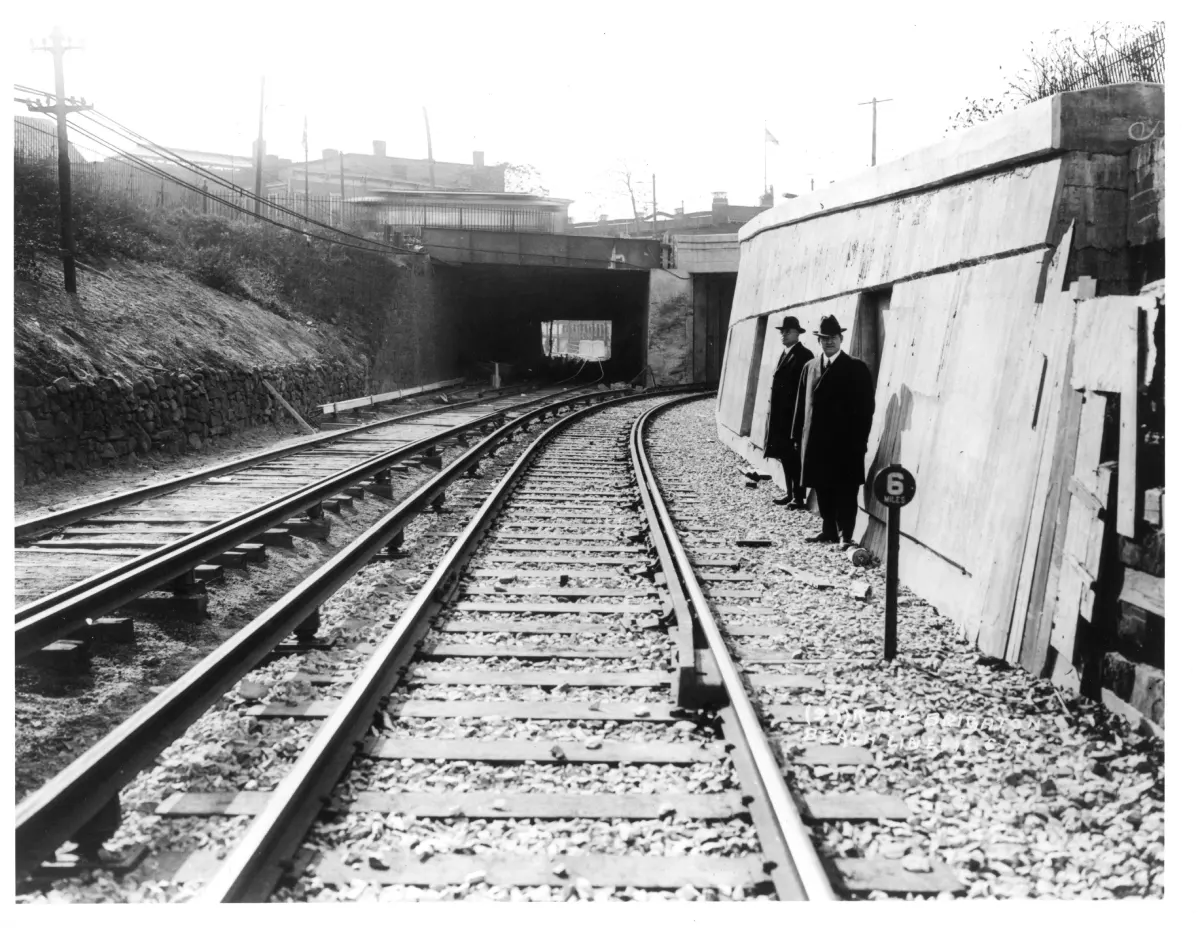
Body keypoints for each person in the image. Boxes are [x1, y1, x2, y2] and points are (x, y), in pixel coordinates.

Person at [795, 314, 875, 545]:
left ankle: (845, 535)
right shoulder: (809, 367)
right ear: (818, 341)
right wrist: (797, 437)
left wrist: (860, 441)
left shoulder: (856, 368)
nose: (828, 342)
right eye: (824, 338)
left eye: (833, 338)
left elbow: (866, 409)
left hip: (845, 444)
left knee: (846, 491)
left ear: (841, 339)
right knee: (822, 487)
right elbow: (801, 407)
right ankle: (828, 530)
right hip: (817, 442)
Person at [763, 316, 814, 508]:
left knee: (794, 457)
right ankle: (790, 493)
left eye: (787, 331)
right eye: (782, 331)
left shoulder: (803, 355)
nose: (783, 334)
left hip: (793, 417)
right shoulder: (785, 353)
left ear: (797, 334)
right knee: (785, 455)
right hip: (781, 417)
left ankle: (798, 497)